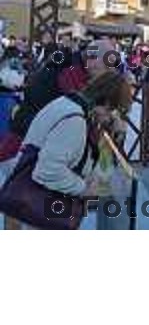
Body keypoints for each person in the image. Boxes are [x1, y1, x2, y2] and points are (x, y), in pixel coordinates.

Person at [2, 71, 131, 229]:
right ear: (107, 104)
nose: (111, 119)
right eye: (114, 113)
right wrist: (84, 189)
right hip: (44, 212)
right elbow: (48, 170)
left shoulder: (70, 103)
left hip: (39, 207)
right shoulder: (74, 120)